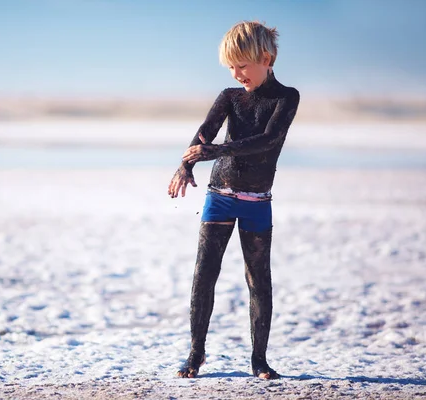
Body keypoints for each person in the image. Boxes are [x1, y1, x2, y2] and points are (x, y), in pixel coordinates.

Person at [168, 20, 300, 380]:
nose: (237, 73)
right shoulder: (229, 97)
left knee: (259, 279)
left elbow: (268, 140)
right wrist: (185, 166)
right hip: (220, 197)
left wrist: (217, 150)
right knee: (204, 275)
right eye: (231, 66)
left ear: (267, 57)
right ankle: (195, 355)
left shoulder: (286, 97)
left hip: (258, 199)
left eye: (243, 64)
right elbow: (203, 134)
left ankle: (259, 360)